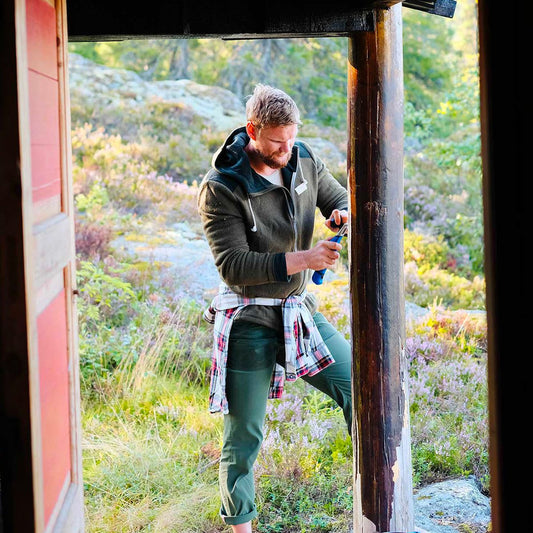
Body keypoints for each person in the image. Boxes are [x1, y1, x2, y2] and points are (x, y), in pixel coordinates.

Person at [197, 84, 352, 533]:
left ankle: (375, 493)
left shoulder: (302, 158)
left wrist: (340, 213)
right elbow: (233, 266)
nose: (286, 150)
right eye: (275, 143)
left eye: (291, 139)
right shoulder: (221, 188)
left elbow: (339, 198)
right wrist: (305, 259)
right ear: (252, 132)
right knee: (244, 435)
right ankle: (241, 526)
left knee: (358, 391)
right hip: (248, 319)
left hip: (299, 311)